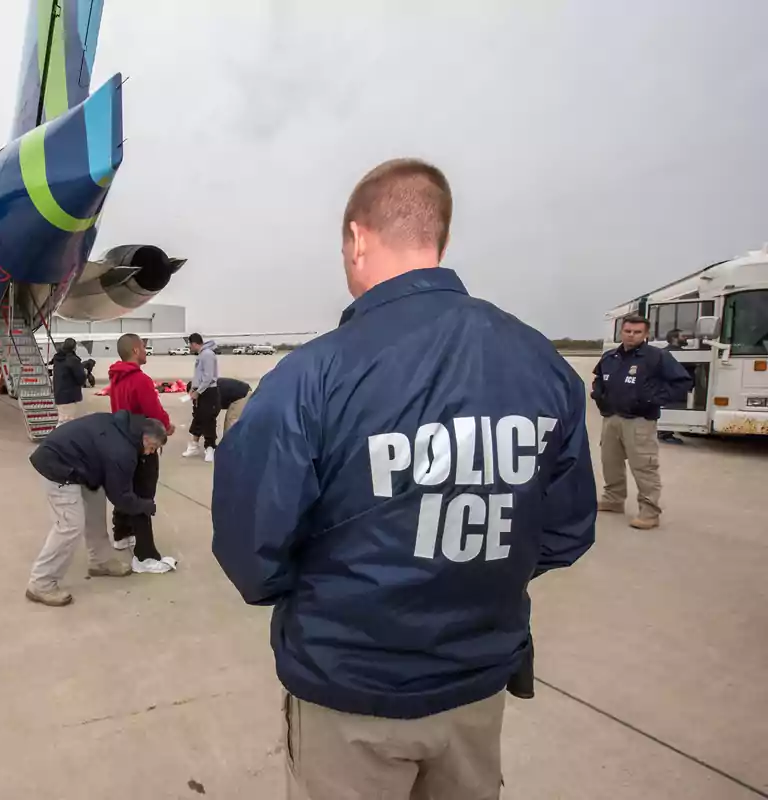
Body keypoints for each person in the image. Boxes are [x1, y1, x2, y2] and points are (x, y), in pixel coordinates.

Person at [211, 158, 597, 800]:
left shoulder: (312, 376)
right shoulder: (543, 365)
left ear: (358, 239)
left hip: (351, 691)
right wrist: (471, 572)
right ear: (439, 240)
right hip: (476, 682)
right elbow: (565, 531)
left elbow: (252, 550)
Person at [26, 412, 167, 607]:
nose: (150, 453)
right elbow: (121, 498)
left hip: (81, 466)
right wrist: (145, 506)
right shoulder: (122, 451)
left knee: (95, 508)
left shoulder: (127, 427)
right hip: (57, 466)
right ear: (145, 438)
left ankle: (100, 561)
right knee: (70, 526)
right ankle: (40, 583)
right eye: (152, 448)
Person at [592, 315, 693, 528]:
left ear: (646, 335)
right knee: (610, 462)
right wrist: (599, 395)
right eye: (628, 331)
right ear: (622, 332)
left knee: (644, 466)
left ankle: (649, 512)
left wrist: (652, 399)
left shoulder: (657, 357)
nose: (631, 335)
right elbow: (599, 378)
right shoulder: (610, 357)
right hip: (611, 418)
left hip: (639, 421)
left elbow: (682, 382)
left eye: (637, 332)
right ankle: (613, 499)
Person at [108, 333, 178, 574]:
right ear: (136, 350)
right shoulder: (140, 379)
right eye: (144, 348)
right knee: (144, 496)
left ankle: (122, 533)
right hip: (143, 444)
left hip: (124, 441)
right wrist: (167, 426)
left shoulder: (116, 378)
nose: (146, 352)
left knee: (126, 489)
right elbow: (154, 411)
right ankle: (145, 556)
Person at [183, 333, 220, 462]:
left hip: (208, 392)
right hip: (200, 391)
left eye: (189, 344)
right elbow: (199, 375)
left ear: (194, 343)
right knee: (198, 417)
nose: (189, 347)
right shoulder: (201, 355)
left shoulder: (207, 354)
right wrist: (194, 389)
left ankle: (210, 448)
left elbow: (208, 377)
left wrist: (198, 391)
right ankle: (194, 445)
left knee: (208, 419)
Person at [49, 338, 94, 426]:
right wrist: (84, 374)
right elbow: (80, 378)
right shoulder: (73, 360)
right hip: (69, 395)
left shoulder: (57, 358)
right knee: (67, 421)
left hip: (59, 393)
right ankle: (59, 438)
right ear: (74, 347)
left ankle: (58, 437)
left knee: (62, 419)